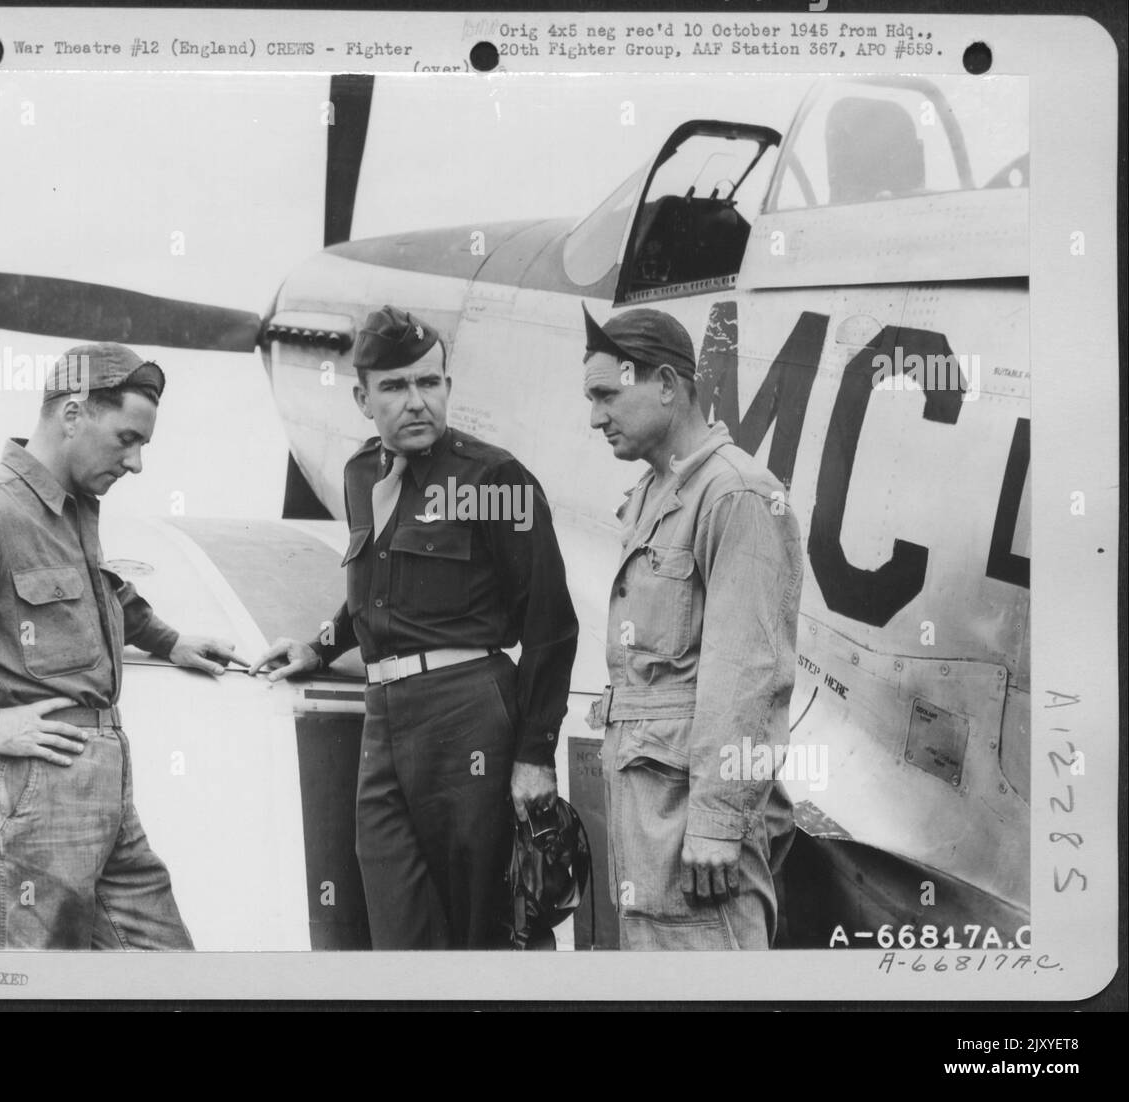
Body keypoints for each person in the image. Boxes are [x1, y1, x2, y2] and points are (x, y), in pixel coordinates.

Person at [252, 305, 578, 949]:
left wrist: (535, 756)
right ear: (362, 398)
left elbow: (551, 623)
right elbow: (374, 593)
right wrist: (320, 647)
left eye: (429, 383)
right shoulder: (359, 475)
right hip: (384, 720)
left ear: (448, 388)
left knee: (486, 930)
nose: (416, 401)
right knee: (397, 928)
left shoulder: (492, 480)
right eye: (396, 387)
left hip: (469, 713)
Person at [0, 342, 249, 950]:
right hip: (25, 796)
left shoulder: (76, 508)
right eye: (127, 439)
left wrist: (171, 641)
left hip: (104, 800)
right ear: (73, 415)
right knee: (21, 988)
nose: (136, 464)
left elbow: (98, 592)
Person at [580, 304, 802, 950]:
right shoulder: (652, 495)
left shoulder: (736, 495)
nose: (595, 417)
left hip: (697, 848)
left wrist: (716, 821)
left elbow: (748, 673)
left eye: (607, 395)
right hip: (648, 839)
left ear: (667, 387)